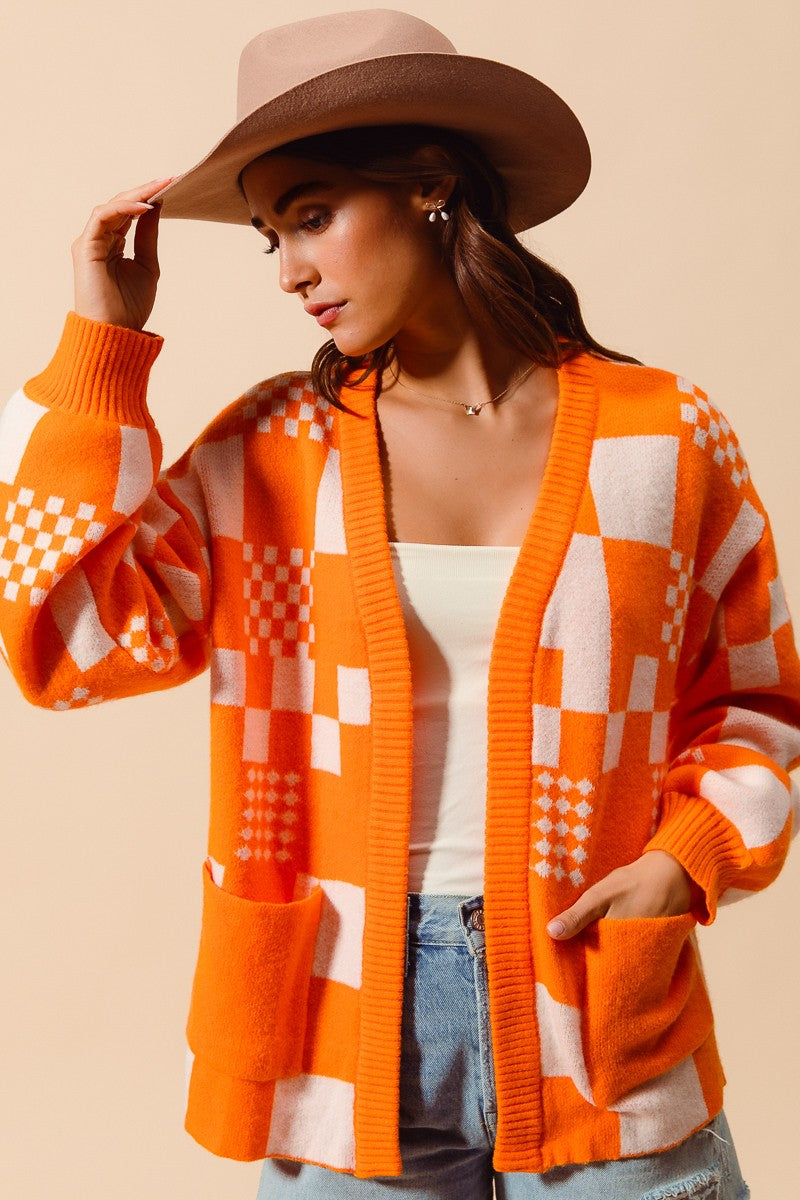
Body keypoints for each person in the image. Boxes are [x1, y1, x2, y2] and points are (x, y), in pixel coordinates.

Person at [1, 8, 797, 1199]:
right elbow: (63, 645)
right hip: (337, 1017)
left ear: (429, 182)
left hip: (595, 998)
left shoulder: (661, 437)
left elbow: (756, 704)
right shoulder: (271, 452)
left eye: (312, 215)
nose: (288, 270)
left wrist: (685, 862)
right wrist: (101, 347)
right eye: (269, 237)